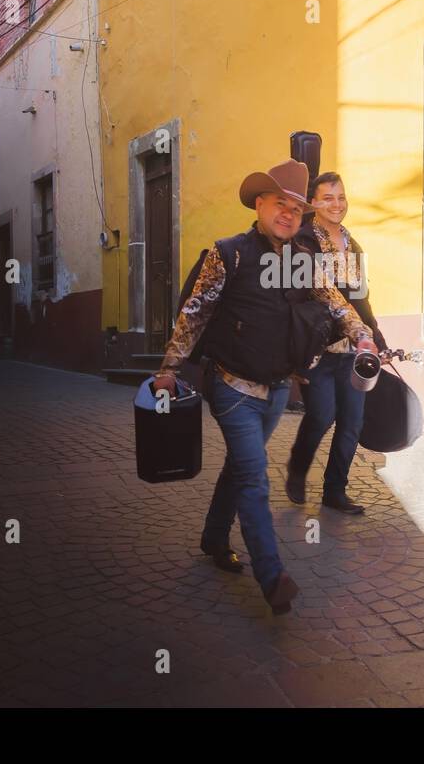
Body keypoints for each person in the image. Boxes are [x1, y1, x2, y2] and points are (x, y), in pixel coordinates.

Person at [152, 159, 378, 615]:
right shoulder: (228, 253)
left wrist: (363, 335)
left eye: (297, 209)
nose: (289, 215)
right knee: (254, 476)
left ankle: (214, 539)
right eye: (281, 205)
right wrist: (170, 368)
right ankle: (272, 576)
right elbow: (194, 312)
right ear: (260, 204)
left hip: (277, 389)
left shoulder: (304, 260)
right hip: (231, 386)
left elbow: (336, 303)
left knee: (239, 468)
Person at [285, 172, 388, 516]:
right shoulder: (301, 240)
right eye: (328, 197)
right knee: (321, 414)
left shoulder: (351, 244)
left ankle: (334, 491)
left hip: (353, 351)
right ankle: (298, 469)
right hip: (318, 349)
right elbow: (302, 296)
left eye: (341, 197)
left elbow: (362, 300)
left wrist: (376, 339)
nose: (336, 204)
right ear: (313, 202)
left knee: (352, 421)